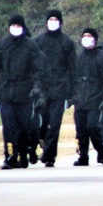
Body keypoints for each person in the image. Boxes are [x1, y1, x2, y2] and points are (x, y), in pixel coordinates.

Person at [0, 14, 45, 170]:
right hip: (6, 93)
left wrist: (37, 87)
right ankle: (10, 156)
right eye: (13, 26)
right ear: (9, 28)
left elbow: (39, 68)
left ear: (23, 28)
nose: (16, 29)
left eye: (19, 26)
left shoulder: (31, 46)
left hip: (25, 94)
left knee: (24, 127)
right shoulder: (1, 46)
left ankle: (23, 153)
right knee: (9, 127)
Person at [32, 9, 77, 167]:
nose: (53, 22)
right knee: (41, 123)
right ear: (46, 22)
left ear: (60, 22)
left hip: (59, 89)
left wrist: (72, 93)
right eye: (50, 19)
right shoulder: (38, 41)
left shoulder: (67, 43)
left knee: (55, 124)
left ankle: (50, 156)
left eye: (55, 19)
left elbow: (73, 69)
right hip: (41, 90)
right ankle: (41, 145)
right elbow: (32, 66)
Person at [71, 27, 103, 166]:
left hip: (95, 99)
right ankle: (83, 156)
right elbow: (74, 78)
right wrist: (73, 95)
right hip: (80, 99)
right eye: (84, 35)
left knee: (93, 126)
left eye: (89, 35)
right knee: (80, 129)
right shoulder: (79, 57)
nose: (86, 38)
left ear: (95, 39)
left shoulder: (102, 57)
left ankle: (100, 150)